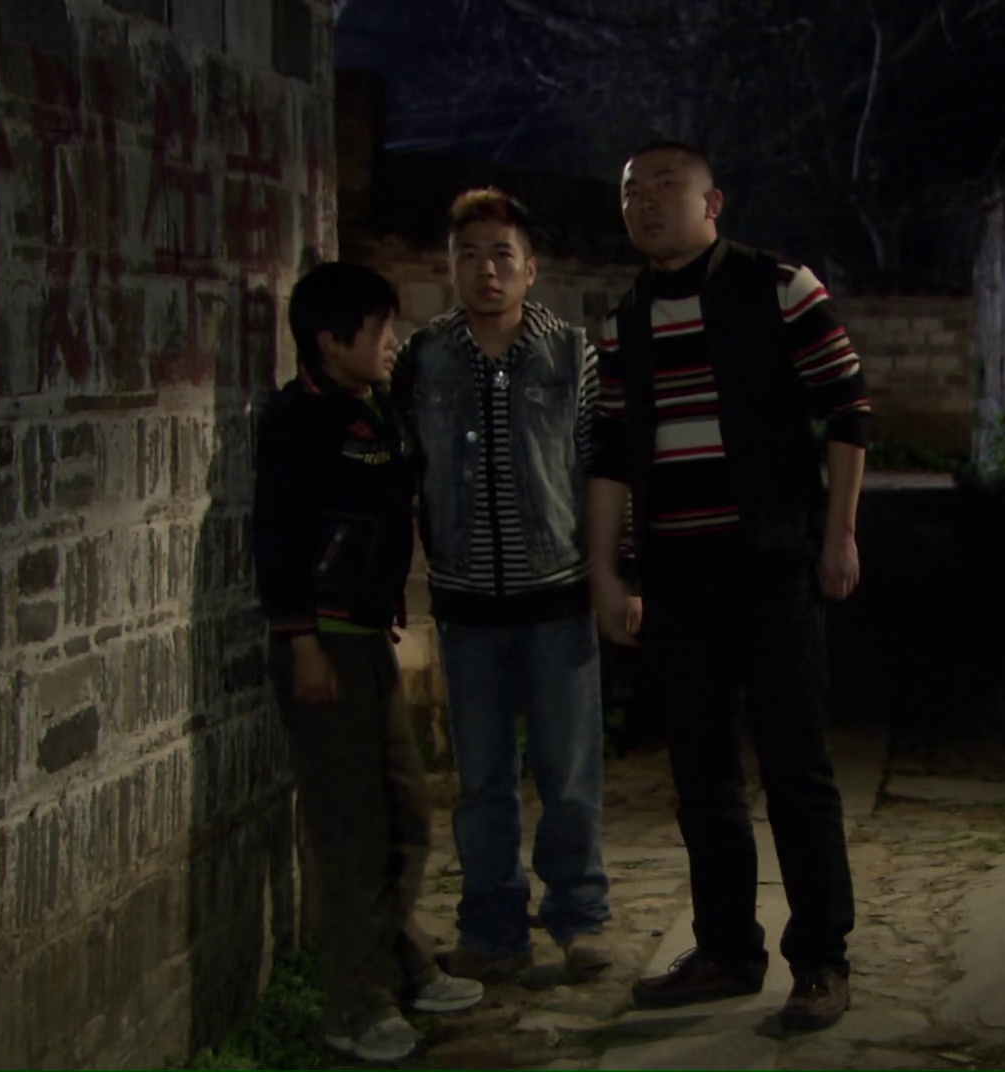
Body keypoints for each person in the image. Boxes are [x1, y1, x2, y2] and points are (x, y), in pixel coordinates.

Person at [587, 142, 870, 1031]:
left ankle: (820, 959)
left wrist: (839, 534)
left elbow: (847, 408)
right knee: (701, 774)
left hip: (772, 560)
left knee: (796, 768)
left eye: (666, 186)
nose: (646, 203)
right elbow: (610, 454)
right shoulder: (623, 322)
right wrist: (607, 571)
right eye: (632, 191)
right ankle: (725, 950)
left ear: (713, 203)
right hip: (678, 574)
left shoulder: (779, 286)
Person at [253, 261, 484, 1063]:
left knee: (404, 814)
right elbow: (278, 537)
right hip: (325, 647)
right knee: (350, 831)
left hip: (367, 638)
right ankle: (355, 1006)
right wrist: (303, 643)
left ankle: (405, 965)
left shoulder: (374, 407)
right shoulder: (299, 420)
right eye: (378, 328)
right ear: (329, 340)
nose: (392, 341)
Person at [391, 188, 614, 985]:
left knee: (569, 775)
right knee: (482, 782)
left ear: (530, 267)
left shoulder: (571, 354)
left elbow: (600, 470)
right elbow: (403, 473)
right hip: (466, 607)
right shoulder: (424, 357)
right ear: (450, 267)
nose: (486, 270)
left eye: (501, 255)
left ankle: (579, 919)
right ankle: (492, 930)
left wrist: (613, 572)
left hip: (557, 598)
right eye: (469, 255)